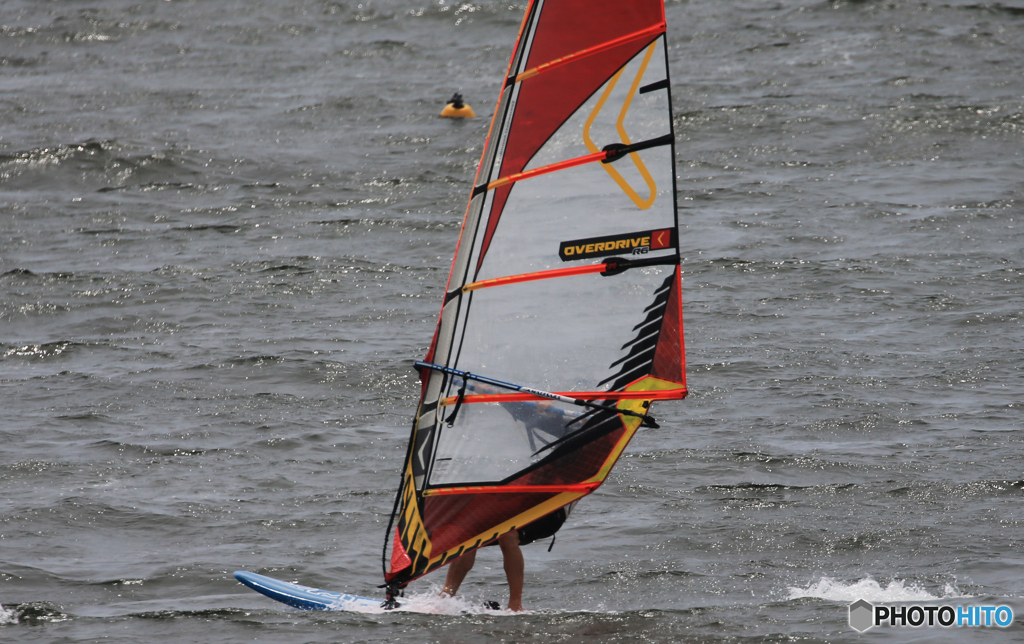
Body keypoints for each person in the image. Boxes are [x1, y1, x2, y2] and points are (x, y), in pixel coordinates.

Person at [439, 506, 568, 612]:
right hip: (519, 506)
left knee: (507, 534)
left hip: (553, 510)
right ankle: (446, 595)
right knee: (468, 534)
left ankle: (515, 605)